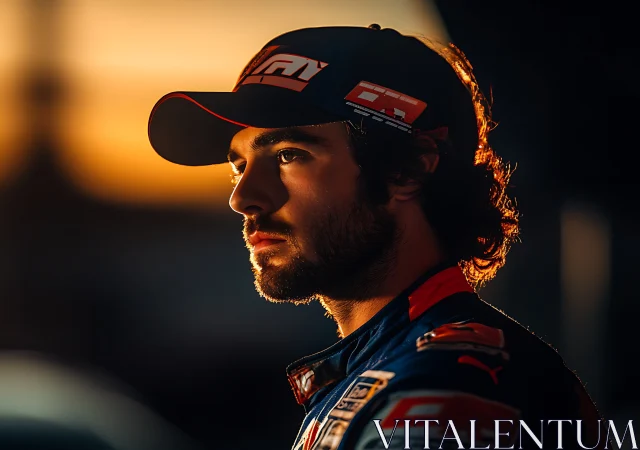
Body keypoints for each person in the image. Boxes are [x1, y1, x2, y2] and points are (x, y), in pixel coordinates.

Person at [148, 25, 604, 450]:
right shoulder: (389, 368)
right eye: (239, 166)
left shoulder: (443, 388)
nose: (244, 197)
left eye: (289, 155)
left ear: (406, 169)